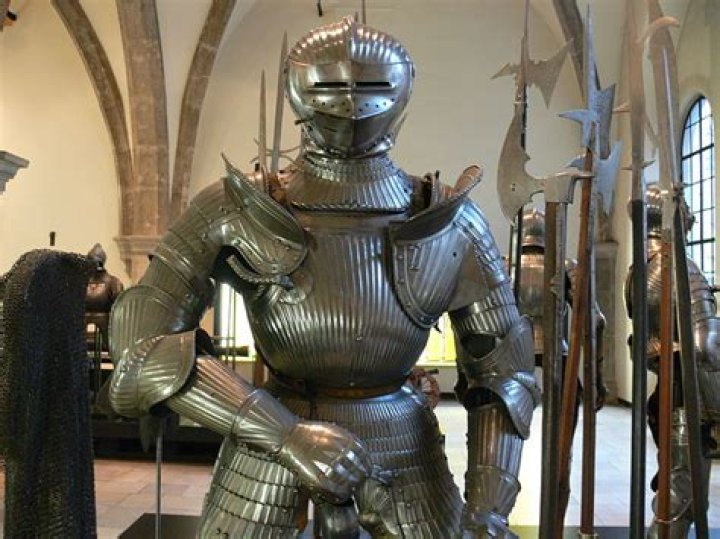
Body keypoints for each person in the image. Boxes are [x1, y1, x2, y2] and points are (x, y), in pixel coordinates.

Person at [108, 17, 538, 537]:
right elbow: (141, 347)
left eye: (369, 85)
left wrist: (488, 508)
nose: (351, 105)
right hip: (268, 450)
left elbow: (504, 371)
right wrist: (285, 435)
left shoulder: (449, 218)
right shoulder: (232, 206)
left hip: (404, 451)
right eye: (333, 86)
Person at [625, 185, 718, 538]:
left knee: (679, 492)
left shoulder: (640, 270)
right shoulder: (681, 268)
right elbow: (706, 347)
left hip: (666, 387)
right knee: (682, 500)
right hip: (690, 397)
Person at [85, 243, 123, 350]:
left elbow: (118, 301)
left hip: (105, 316)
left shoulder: (113, 282)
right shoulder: (82, 281)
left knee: (111, 344)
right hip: (83, 315)